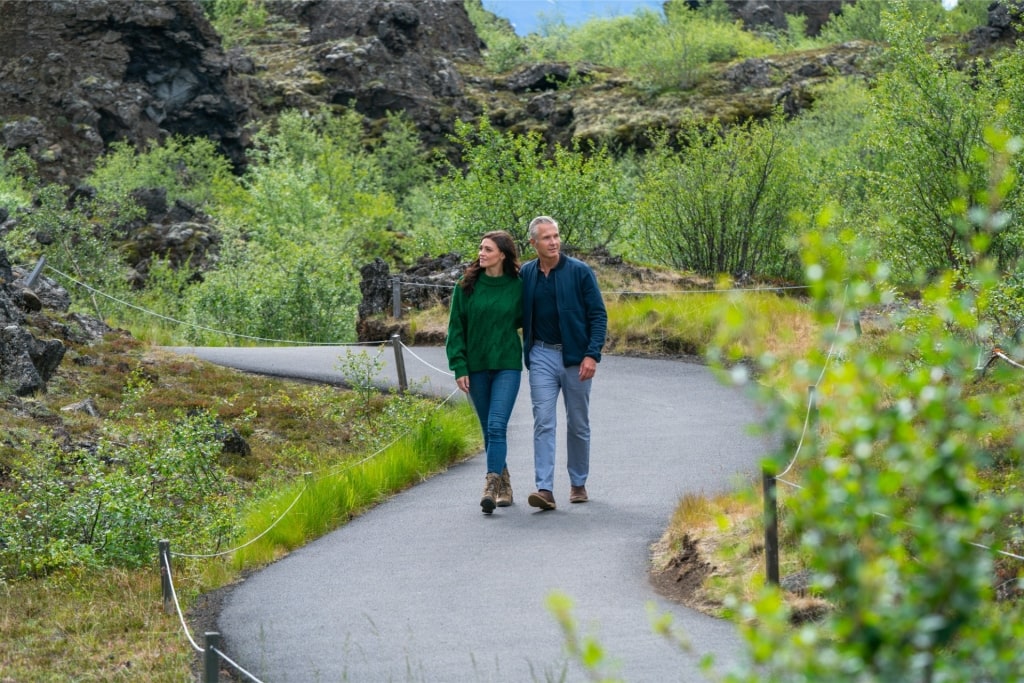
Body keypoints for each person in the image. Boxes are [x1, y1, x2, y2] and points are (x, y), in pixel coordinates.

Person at [520, 216, 607, 511]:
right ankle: (544, 489)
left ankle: (578, 483)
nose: (554, 242)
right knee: (543, 421)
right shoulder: (527, 274)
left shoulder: (580, 272)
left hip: (575, 357)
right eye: (546, 238)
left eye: (556, 236)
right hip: (541, 354)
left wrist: (591, 354)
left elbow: (598, 315)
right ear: (533, 243)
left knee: (578, 423)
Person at [446, 230, 524, 514]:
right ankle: (505, 484)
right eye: (480, 248)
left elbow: (532, 318)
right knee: (488, 431)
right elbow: (455, 330)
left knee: (496, 425)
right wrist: (459, 365)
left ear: (502, 254)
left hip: (507, 365)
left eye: (488, 249)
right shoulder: (465, 287)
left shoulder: (518, 286)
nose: (481, 253)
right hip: (475, 367)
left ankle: (490, 485)